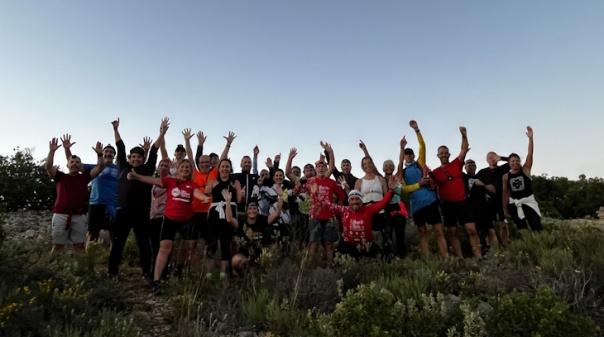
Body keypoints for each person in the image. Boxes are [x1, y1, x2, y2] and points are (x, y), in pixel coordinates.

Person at [127, 159, 209, 294]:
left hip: (187, 220)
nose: (185, 169)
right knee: (164, 248)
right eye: (182, 166)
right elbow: (153, 180)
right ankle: (156, 281)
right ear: (178, 168)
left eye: (188, 167)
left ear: (190, 171)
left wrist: (204, 198)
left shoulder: (192, 184)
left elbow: (197, 194)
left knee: (192, 250)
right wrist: (136, 176)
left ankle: (203, 280)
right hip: (170, 219)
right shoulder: (170, 181)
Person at [107, 118, 168, 280]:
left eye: (139, 157)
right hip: (123, 211)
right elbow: (120, 147)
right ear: (129, 158)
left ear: (142, 158)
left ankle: (146, 272)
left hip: (142, 212)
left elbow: (154, 150)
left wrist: (162, 133)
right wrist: (115, 130)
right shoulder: (123, 166)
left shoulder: (147, 169)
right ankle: (112, 272)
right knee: (118, 244)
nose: (136, 159)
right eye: (133, 157)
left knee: (144, 245)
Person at [175, 129, 233, 277]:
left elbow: (222, 160)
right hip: (193, 213)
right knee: (189, 243)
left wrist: (228, 144)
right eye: (202, 162)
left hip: (209, 215)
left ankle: (206, 272)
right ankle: (179, 268)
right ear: (199, 163)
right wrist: (188, 141)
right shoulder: (195, 173)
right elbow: (190, 157)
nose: (205, 164)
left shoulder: (214, 174)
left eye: (207, 162)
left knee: (209, 243)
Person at [311, 176, 399, 260]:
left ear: (361, 201)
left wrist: (391, 191)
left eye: (357, 199)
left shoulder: (369, 209)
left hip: (366, 244)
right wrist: (317, 195)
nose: (355, 202)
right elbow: (328, 205)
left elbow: (383, 203)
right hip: (348, 245)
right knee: (337, 259)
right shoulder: (344, 210)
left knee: (381, 258)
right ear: (349, 202)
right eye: (352, 200)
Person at [45, 136, 105, 256]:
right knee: (57, 246)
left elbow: (99, 168)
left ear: (80, 165)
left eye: (77, 162)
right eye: (72, 162)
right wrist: (51, 152)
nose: (74, 164)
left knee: (80, 246)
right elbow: (48, 167)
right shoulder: (60, 177)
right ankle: (48, 272)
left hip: (79, 216)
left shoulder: (85, 177)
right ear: (67, 165)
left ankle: (84, 273)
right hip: (61, 215)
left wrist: (99, 155)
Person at [430, 126, 482, 259]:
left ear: (449, 154)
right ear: (438, 155)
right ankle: (460, 259)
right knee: (453, 232)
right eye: (441, 153)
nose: (443, 155)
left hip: (463, 202)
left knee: (471, 229)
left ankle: (479, 257)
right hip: (448, 205)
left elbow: (464, 149)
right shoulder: (435, 173)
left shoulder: (456, 164)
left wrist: (464, 135)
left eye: (445, 153)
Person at [401, 120, 448, 258]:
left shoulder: (420, 163)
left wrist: (417, 130)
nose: (409, 155)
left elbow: (422, 146)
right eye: (406, 153)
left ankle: (446, 258)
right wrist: (418, 184)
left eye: (411, 153)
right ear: (403, 156)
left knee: (439, 231)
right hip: (417, 206)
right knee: (422, 233)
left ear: (414, 156)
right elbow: (403, 189)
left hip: (431, 202)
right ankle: (428, 260)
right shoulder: (402, 172)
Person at [61, 134, 119, 247]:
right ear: (102, 153)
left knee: (114, 234)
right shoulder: (93, 167)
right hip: (96, 203)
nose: (108, 153)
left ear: (114, 155)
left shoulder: (119, 169)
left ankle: (113, 260)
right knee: (93, 234)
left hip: (113, 204)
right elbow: (73, 163)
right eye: (106, 151)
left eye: (111, 152)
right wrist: (67, 149)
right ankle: (89, 259)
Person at [293, 143, 345, 264]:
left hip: (329, 216)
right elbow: (296, 191)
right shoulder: (311, 181)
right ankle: (311, 266)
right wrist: (301, 180)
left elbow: (341, 196)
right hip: (314, 216)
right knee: (314, 243)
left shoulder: (332, 182)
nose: (321, 168)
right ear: (316, 169)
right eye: (319, 166)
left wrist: (336, 209)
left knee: (329, 243)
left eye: (323, 166)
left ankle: (329, 267)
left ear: (327, 169)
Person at [223, 193, 281, 276]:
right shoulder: (241, 223)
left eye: (254, 209)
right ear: (246, 211)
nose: (252, 211)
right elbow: (229, 219)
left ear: (257, 210)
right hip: (245, 255)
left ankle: (261, 276)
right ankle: (244, 277)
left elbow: (277, 213)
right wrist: (228, 202)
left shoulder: (263, 220)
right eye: (249, 209)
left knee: (270, 260)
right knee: (236, 260)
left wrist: (281, 197)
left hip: (260, 254)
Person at [206, 158, 243, 279]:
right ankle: (208, 274)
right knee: (212, 242)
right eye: (223, 166)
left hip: (230, 213)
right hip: (215, 213)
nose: (225, 169)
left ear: (230, 169)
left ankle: (223, 274)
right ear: (219, 168)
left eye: (227, 166)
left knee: (226, 242)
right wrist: (207, 192)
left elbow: (238, 200)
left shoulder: (235, 182)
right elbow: (207, 196)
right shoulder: (212, 181)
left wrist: (242, 195)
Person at [503, 126, 542, 232]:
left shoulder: (525, 169)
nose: (515, 162)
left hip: (528, 201)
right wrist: (505, 208)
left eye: (517, 160)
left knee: (536, 226)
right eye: (513, 161)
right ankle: (526, 246)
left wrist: (530, 139)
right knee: (522, 229)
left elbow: (530, 154)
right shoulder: (506, 176)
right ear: (509, 163)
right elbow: (506, 192)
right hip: (514, 204)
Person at [463, 159, 498, 256]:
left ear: (476, 166)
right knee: (473, 231)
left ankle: (495, 252)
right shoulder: (463, 177)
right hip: (469, 208)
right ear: (465, 167)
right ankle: (478, 255)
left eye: (473, 164)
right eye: (468, 165)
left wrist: (483, 183)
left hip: (483, 207)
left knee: (490, 230)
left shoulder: (481, 177)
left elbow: (493, 190)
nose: (470, 166)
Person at [477, 152, 510, 246]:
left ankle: (505, 245)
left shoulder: (503, 169)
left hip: (502, 202)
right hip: (488, 203)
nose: (492, 159)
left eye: (493, 156)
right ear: (487, 160)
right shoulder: (482, 172)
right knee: (488, 227)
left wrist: (502, 158)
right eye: (489, 157)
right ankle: (492, 248)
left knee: (504, 225)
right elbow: (473, 182)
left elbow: (514, 160)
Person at [149, 158, 171, 278]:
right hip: (154, 216)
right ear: (158, 167)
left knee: (165, 247)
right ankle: (154, 273)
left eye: (166, 166)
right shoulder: (153, 182)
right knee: (154, 246)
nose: (163, 168)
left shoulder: (173, 181)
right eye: (161, 165)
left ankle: (164, 274)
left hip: (166, 216)